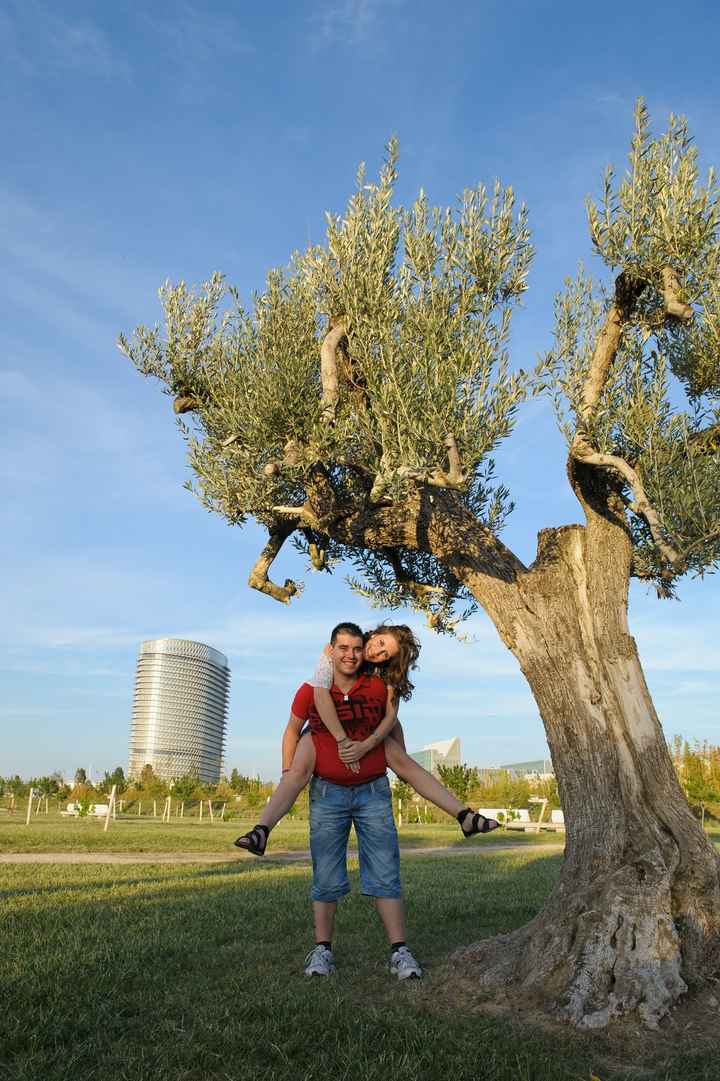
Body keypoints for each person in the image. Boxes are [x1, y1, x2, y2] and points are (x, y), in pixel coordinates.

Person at [235, 621, 499, 859]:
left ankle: (464, 816)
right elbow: (310, 706)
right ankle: (261, 831)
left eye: (385, 654)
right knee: (297, 771)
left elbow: (391, 718)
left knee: (405, 763)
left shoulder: (381, 678)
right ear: (375, 632)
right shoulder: (336, 656)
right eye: (379, 643)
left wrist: (381, 751)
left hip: (369, 730)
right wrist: (289, 771)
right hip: (323, 730)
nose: (376, 652)